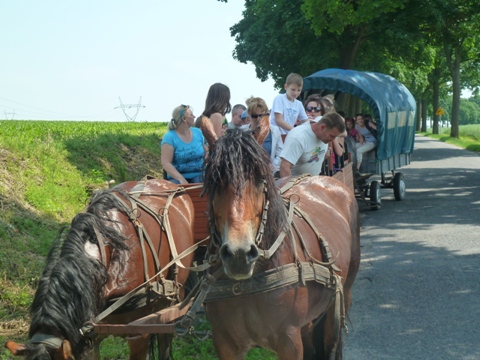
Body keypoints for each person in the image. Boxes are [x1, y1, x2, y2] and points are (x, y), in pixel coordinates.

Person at [279, 112, 346, 178]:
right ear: (322, 127)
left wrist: (329, 148)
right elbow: (284, 168)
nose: (333, 140)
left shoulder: (322, 122)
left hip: (313, 180)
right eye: (331, 136)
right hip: (297, 183)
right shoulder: (298, 137)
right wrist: (293, 188)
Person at [161, 105, 207, 184]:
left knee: (203, 188)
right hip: (177, 177)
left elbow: (206, 151)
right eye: (191, 115)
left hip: (199, 175)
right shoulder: (170, 137)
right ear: (184, 119)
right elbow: (166, 163)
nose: (194, 116)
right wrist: (181, 179)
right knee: (179, 192)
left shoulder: (198, 133)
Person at [241, 96, 283, 177]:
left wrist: (272, 165)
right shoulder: (242, 132)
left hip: (269, 175)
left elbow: (280, 153)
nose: (258, 118)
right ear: (248, 115)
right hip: (248, 175)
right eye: (254, 116)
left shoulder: (274, 131)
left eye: (261, 115)